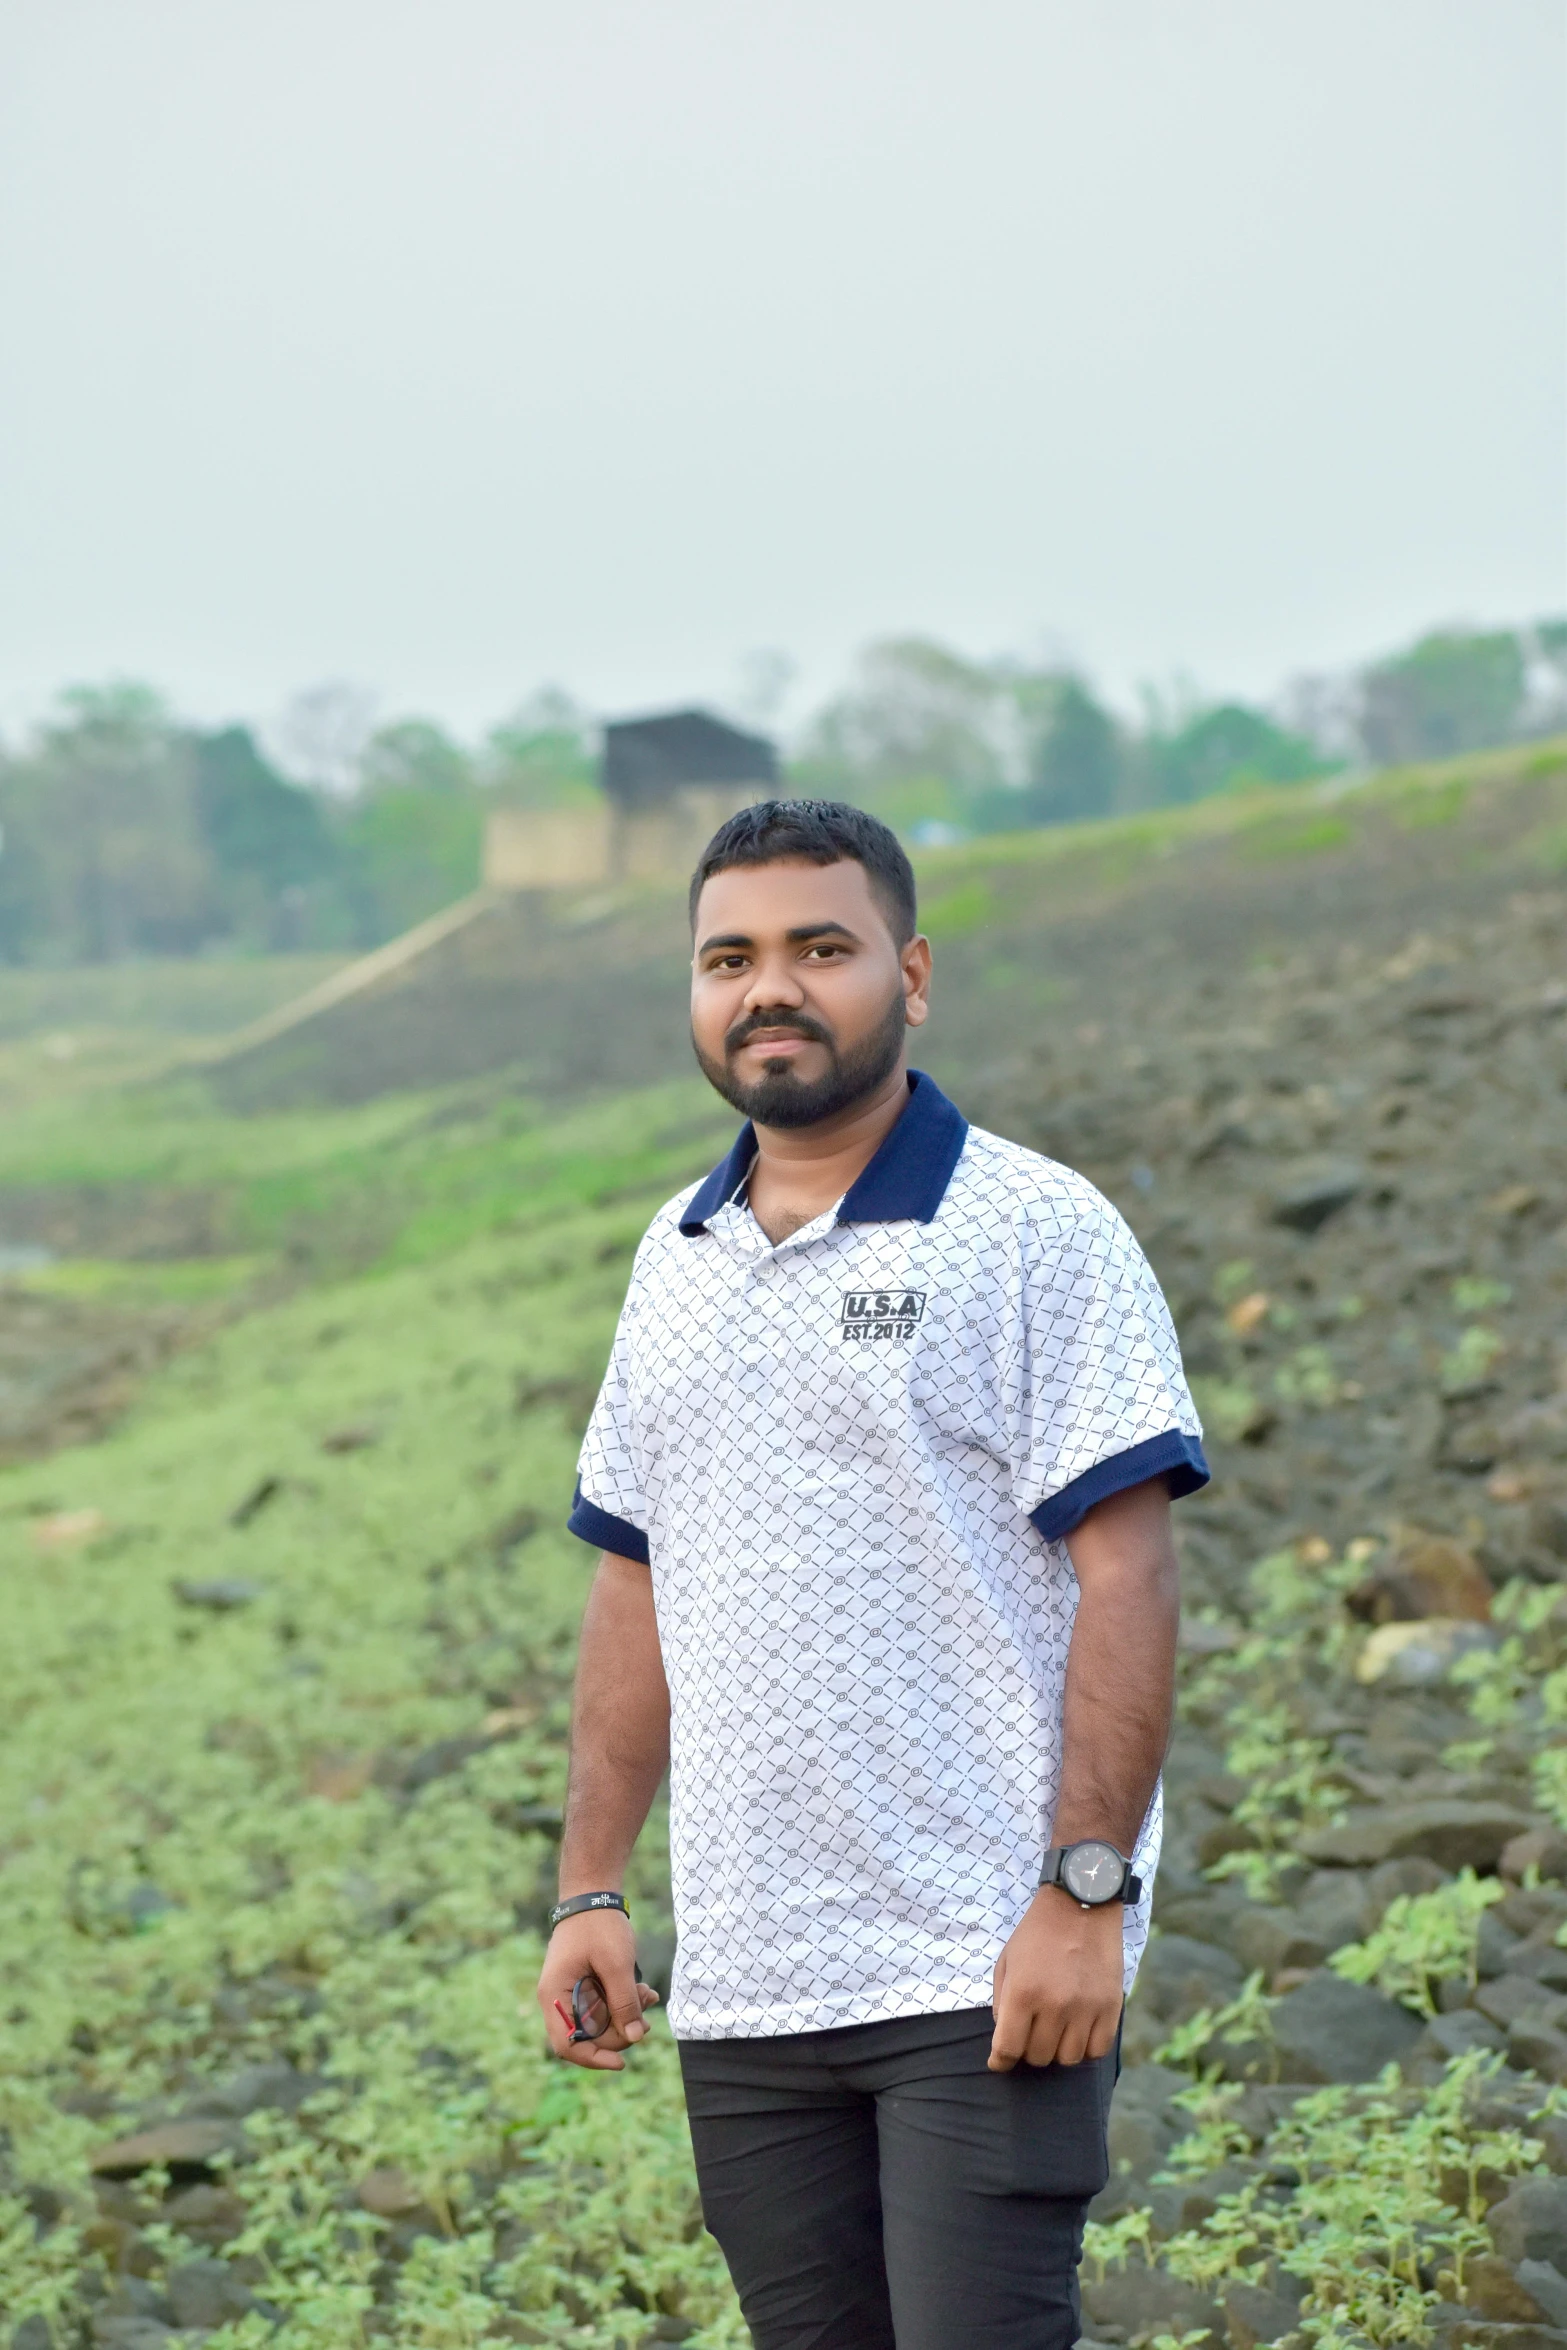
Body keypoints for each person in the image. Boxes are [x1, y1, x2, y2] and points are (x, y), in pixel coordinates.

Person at [534, 799, 1208, 2350]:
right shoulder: (674, 1255)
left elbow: (1129, 1577)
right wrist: (591, 1885)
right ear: (695, 993)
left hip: (983, 1961)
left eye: (816, 948)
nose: (769, 986)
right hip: (753, 1983)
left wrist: (1081, 1893)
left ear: (908, 975)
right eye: (730, 957)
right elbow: (635, 1581)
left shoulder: (1035, 1229)